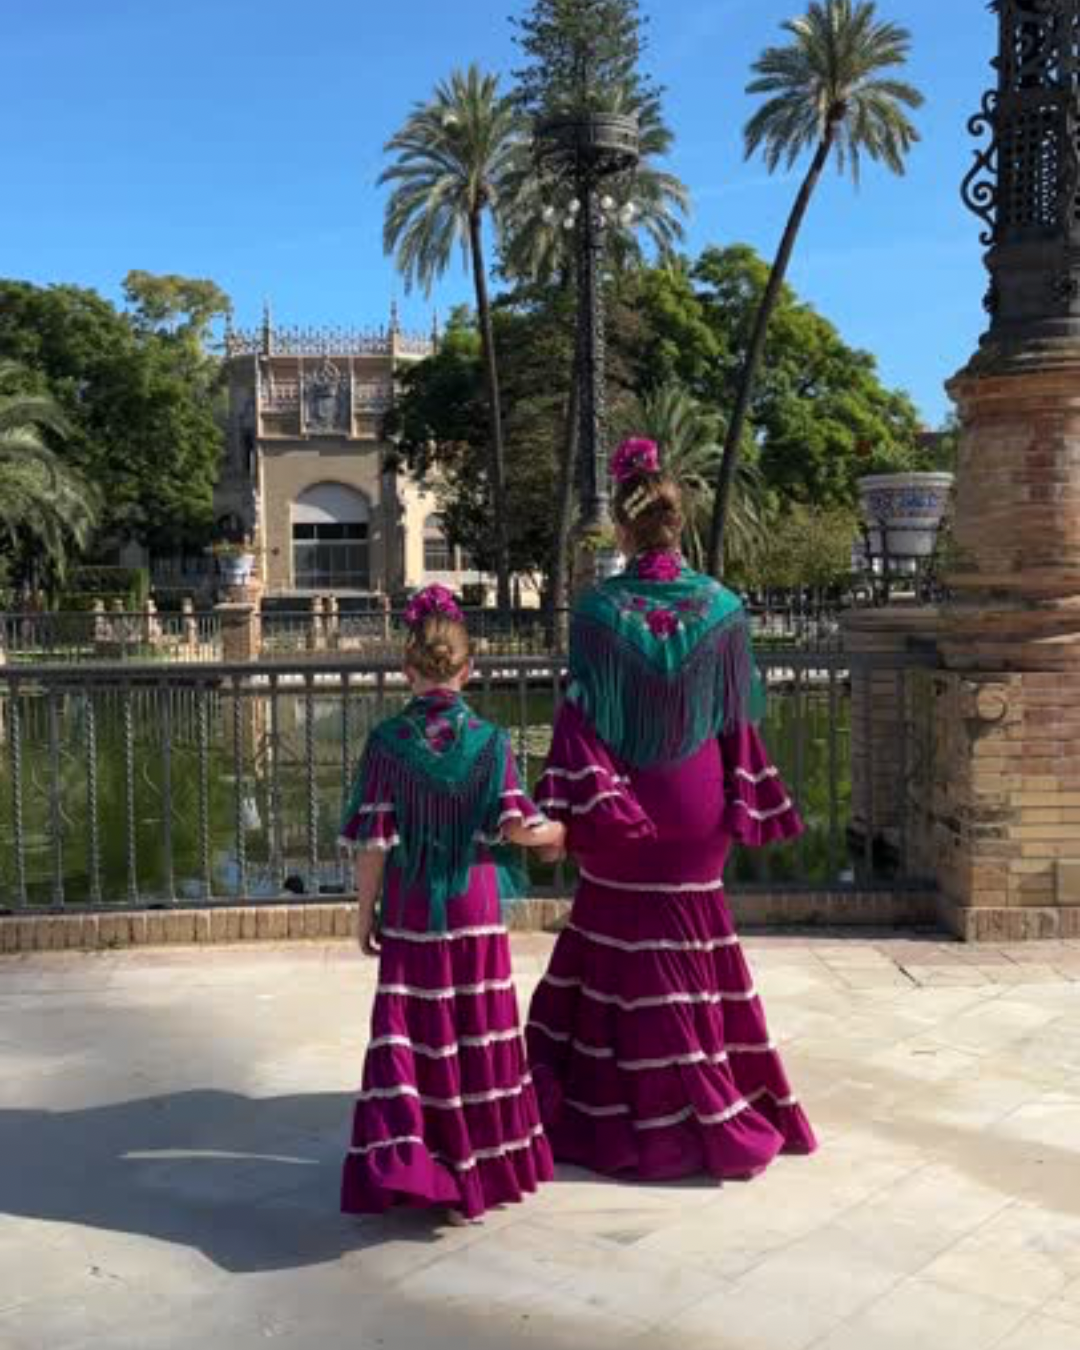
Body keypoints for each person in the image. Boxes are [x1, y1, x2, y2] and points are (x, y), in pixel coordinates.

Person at [526, 438, 817, 1182]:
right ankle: (713, 1095)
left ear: (622, 529)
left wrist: (573, 803)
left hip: (622, 807)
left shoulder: (597, 613)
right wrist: (750, 800)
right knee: (692, 947)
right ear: (677, 523)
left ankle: (613, 1109)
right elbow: (737, 724)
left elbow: (580, 719)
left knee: (611, 939)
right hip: (697, 808)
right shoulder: (722, 609)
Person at [340, 585, 564, 1224]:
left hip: (414, 907)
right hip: (474, 905)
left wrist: (364, 914)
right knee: (476, 1031)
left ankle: (413, 1161)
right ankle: (481, 1168)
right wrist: (558, 833)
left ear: (407, 669)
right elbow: (518, 827)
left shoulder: (386, 742)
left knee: (415, 1034)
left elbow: (374, 843)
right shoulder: (491, 743)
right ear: (468, 671)